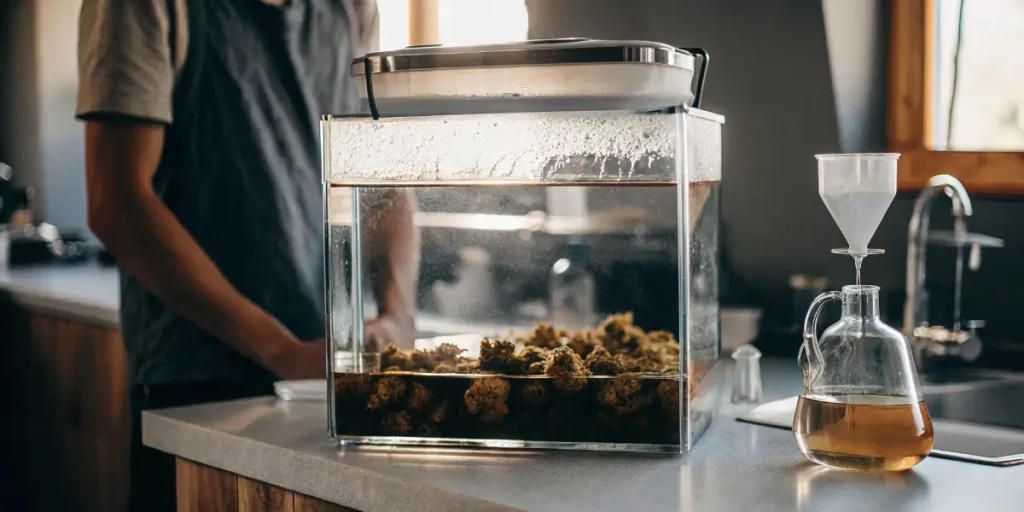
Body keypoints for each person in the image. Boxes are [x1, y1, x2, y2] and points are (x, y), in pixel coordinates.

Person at [75, 0, 419, 510]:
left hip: (325, 386)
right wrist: (283, 352)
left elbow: (381, 174)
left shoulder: (351, 7)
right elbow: (117, 202)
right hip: (198, 392)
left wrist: (397, 317)